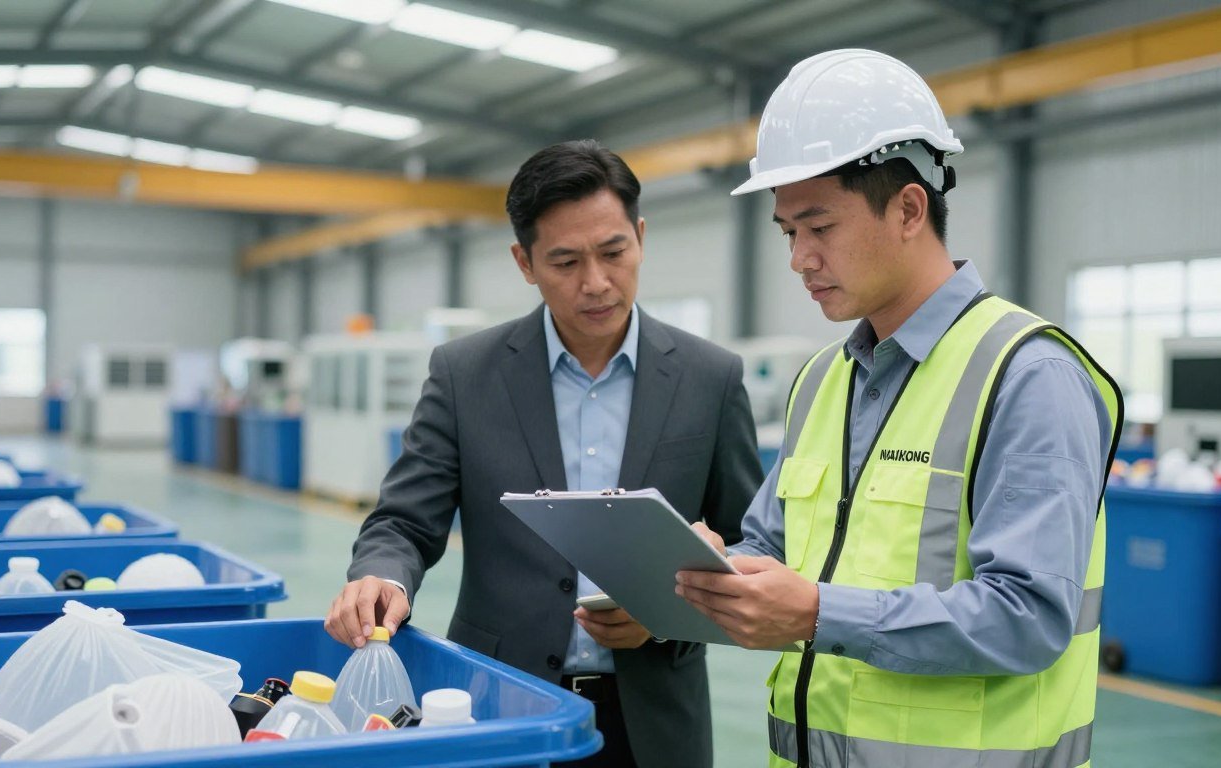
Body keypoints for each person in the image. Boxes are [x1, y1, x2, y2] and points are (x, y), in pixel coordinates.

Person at [675, 50, 1122, 768]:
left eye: (820, 228)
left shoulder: (1027, 375)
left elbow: (1030, 617)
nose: (799, 259)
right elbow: (776, 549)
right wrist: (713, 568)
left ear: (910, 209)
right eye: (788, 232)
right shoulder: (821, 381)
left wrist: (817, 612)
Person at [326, 140, 763, 767]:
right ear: (524, 262)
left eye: (614, 252)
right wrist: (381, 576)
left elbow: (750, 543)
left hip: (655, 721)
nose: (596, 282)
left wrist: (668, 611)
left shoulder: (710, 378)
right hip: (504, 704)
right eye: (565, 261)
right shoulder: (465, 375)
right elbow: (404, 521)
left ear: (641, 237)